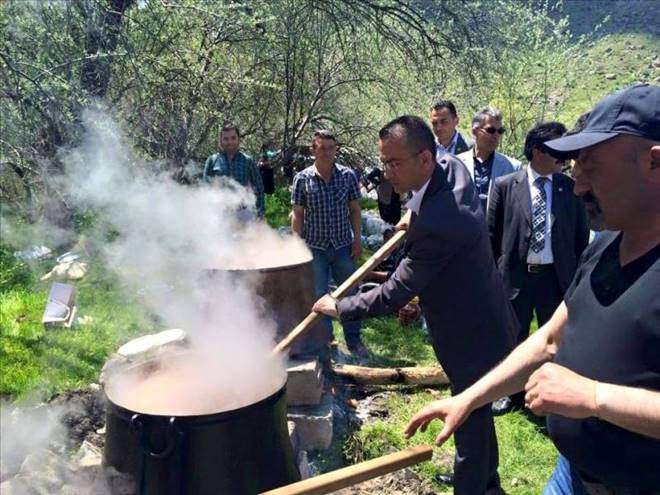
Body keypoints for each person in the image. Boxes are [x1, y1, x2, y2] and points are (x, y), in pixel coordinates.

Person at [405, 84, 660, 494]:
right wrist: (469, 398)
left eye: (592, 167)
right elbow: (549, 339)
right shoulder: (608, 247)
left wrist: (594, 397)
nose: (577, 187)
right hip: (572, 475)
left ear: (654, 163)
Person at [313, 116, 517, 495]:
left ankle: (473, 488)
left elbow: (394, 292)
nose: (386, 173)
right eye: (383, 162)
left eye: (394, 163)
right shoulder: (451, 167)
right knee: (477, 406)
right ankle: (487, 480)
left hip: (468, 333)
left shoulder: (442, 221)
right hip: (485, 317)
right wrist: (413, 213)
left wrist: (338, 307)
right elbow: (432, 198)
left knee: (468, 414)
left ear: (424, 159)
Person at [488, 122, 590, 413]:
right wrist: (497, 277)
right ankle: (509, 393)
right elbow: (491, 237)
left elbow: (580, 238)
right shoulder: (506, 186)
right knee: (512, 336)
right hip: (517, 278)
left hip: (555, 279)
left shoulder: (570, 188)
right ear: (537, 150)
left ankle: (548, 396)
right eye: (557, 150)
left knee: (555, 341)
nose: (564, 157)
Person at [291, 130, 366, 356]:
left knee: (350, 294)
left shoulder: (347, 176)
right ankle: (327, 341)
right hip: (315, 247)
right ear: (313, 149)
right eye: (321, 148)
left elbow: (354, 210)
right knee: (319, 295)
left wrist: (357, 239)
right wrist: (296, 246)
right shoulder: (302, 179)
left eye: (330, 148)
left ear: (336, 150)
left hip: (343, 245)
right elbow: (297, 215)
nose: (326, 152)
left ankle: (354, 340)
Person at [457, 107, 521, 212]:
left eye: (500, 131)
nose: (496, 136)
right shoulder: (457, 163)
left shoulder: (512, 167)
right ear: (475, 131)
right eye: (491, 130)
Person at [203, 122, 265, 218]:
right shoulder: (212, 160)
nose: (230, 142)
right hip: (220, 214)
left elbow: (258, 187)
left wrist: (260, 213)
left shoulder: (248, 160)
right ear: (221, 140)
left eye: (233, 138)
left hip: (243, 213)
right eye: (226, 139)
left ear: (238, 139)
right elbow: (205, 188)